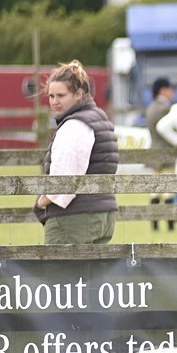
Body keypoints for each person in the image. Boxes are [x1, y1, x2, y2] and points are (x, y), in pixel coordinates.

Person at [33, 60, 119, 245]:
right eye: (51, 96)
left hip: (74, 218)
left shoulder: (75, 125)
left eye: (61, 96)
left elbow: (64, 179)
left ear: (78, 94)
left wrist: (41, 202)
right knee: (91, 274)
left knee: (63, 273)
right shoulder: (99, 117)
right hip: (102, 214)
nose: (54, 102)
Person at [144, 77, 175, 142]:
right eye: (171, 89)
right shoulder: (164, 109)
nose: (173, 92)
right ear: (163, 90)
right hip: (165, 149)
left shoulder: (151, 107)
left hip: (154, 146)